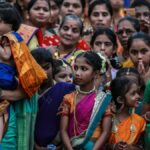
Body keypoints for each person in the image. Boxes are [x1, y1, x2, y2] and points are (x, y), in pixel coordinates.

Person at [60, 51, 112, 150]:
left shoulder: (103, 100)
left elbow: (105, 132)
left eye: (84, 69)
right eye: (76, 68)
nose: (77, 73)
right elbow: (63, 130)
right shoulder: (68, 98)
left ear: (96, 73)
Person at [31, 48, 75, 150]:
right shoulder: (26, 93)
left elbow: (71, 122)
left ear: (52, 67)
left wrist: (56, 145)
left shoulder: (62, 90)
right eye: (37, 68)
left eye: (46, 67)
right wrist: (36, 146)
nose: (43, 73)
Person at [109, 77, 146, 150]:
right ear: (120, 99)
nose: (138, 96)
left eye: (137, 93)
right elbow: (100, 144)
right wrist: (113, 147)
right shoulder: (108, 119)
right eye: (133, 94)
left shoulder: (139, 121)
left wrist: (131, 148)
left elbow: (142, 147)